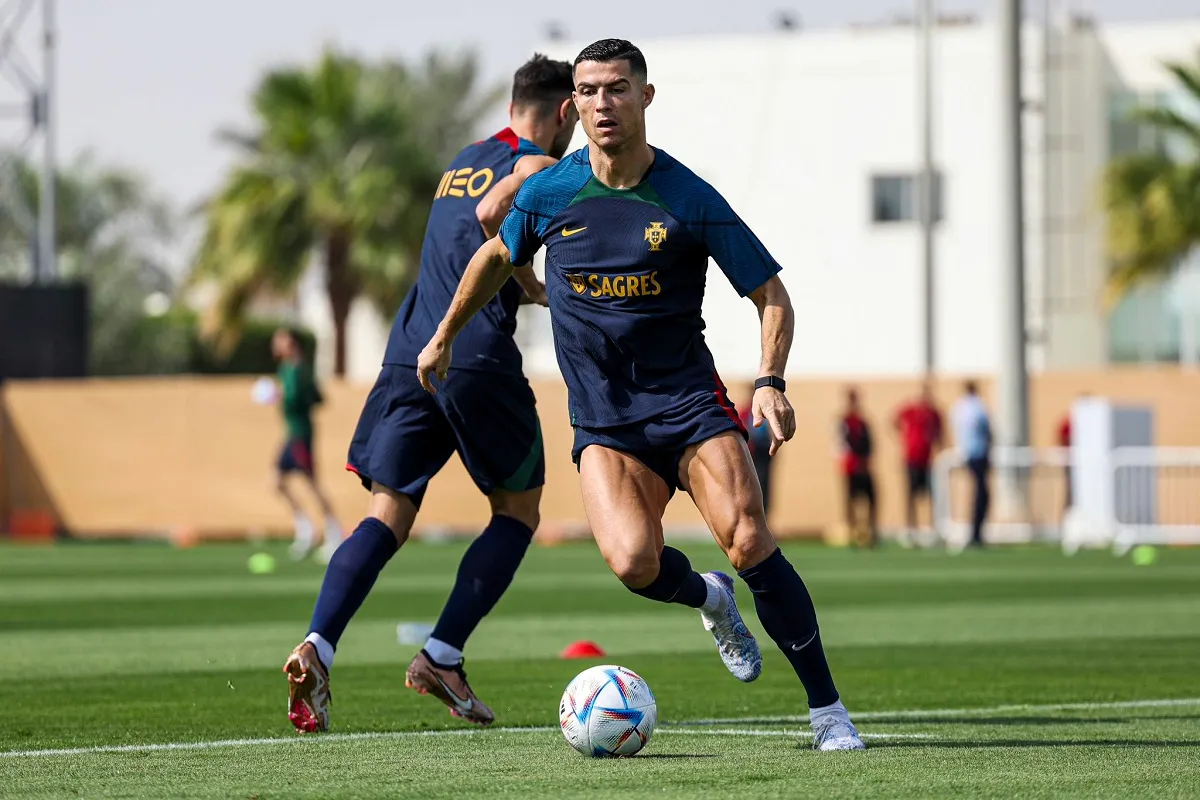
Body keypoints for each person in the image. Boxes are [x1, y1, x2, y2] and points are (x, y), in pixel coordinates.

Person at [417, 39, 864, 752]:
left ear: (645, 98)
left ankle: (828, 712)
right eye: (589, 91)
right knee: (633, 562)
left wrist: (771, 381)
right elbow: (497, 255)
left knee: (750, 539)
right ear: (575, 104)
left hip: (689, 406)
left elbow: (771, 295)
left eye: (617, 89)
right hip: (604, 420)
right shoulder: (550, 191)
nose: (603, 104)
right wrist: (442, 334)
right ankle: (710, 598)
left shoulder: (688, 196)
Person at [282, 54, 580, 734]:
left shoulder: (464, 157)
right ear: (563, 111)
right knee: (518, 508)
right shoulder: (536, 160)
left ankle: (318, 646)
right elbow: (501, 203)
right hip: (472, 354)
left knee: (388, 513)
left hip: (408, 350)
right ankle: (443, 655)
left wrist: (526, 284)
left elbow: (469, 233)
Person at [270, 327, 343, 563]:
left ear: (291, 344)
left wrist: (283, 397)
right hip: (291, 434)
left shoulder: (300, 370)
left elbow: (316, 398)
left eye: (280, 341)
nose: (276, 344)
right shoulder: (285, 369)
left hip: (301, 434)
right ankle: (306, 529)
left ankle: (334, 534)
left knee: (312, 483)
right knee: (278, 482)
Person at [894, 382, 943, 540]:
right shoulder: (911, 410)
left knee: (931, 494)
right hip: (911, 458)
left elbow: (940, 432)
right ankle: (911, 527)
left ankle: (932, 526)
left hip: (927, 460)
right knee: (911, 494)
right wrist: (905, 437)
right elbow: (895, 420)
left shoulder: (933, 413)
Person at [951, 380, 992, 547]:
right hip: (978, 454)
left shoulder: (958, 408)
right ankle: (976, 533)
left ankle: (975, 532)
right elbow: (986, 429)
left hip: (967, 453)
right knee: (981, 495)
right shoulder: (977, 407)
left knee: (978, 493)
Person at [837, 388, 877, 548]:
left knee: (871, 498)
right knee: (851, 500)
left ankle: (870, 532)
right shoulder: (844, 421)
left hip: (863, 466)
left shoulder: (862, 422)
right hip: (851, 467)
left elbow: (869, 443)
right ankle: (853, 533)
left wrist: (866, 460)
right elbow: (842, 444)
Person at [739, 399, 774, 518]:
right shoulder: (745, 412)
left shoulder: (767, 412)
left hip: (764, 454)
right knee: (749, 486)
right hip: (751, 454)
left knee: (764, 486)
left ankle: (764, 519)